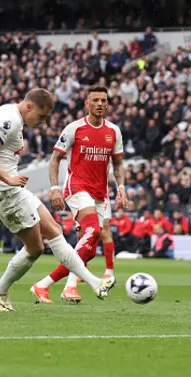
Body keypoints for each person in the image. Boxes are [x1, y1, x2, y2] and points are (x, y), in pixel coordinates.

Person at [0, 88, 115, 312]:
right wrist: (6, 176)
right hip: (4, 192)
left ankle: (91, 283)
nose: (41, 122)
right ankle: (0, 291)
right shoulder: (11, 120)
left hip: (10, 190)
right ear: (29, 106)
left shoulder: (4, 110)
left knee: (50, 234)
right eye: (41, 116)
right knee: (37, 246)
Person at [31, 85, 127, 304]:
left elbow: (119, 165)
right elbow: (55, 159)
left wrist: (121, 188)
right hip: (77, 187)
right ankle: (66, 285)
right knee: (93, 230)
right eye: (95, 100)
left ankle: (50, 285)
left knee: (90, 250)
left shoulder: (114, 131)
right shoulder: (74, 129)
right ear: (87, 103)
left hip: (100, 193)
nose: (100, 104)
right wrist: (54, 188)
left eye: (104, 100)